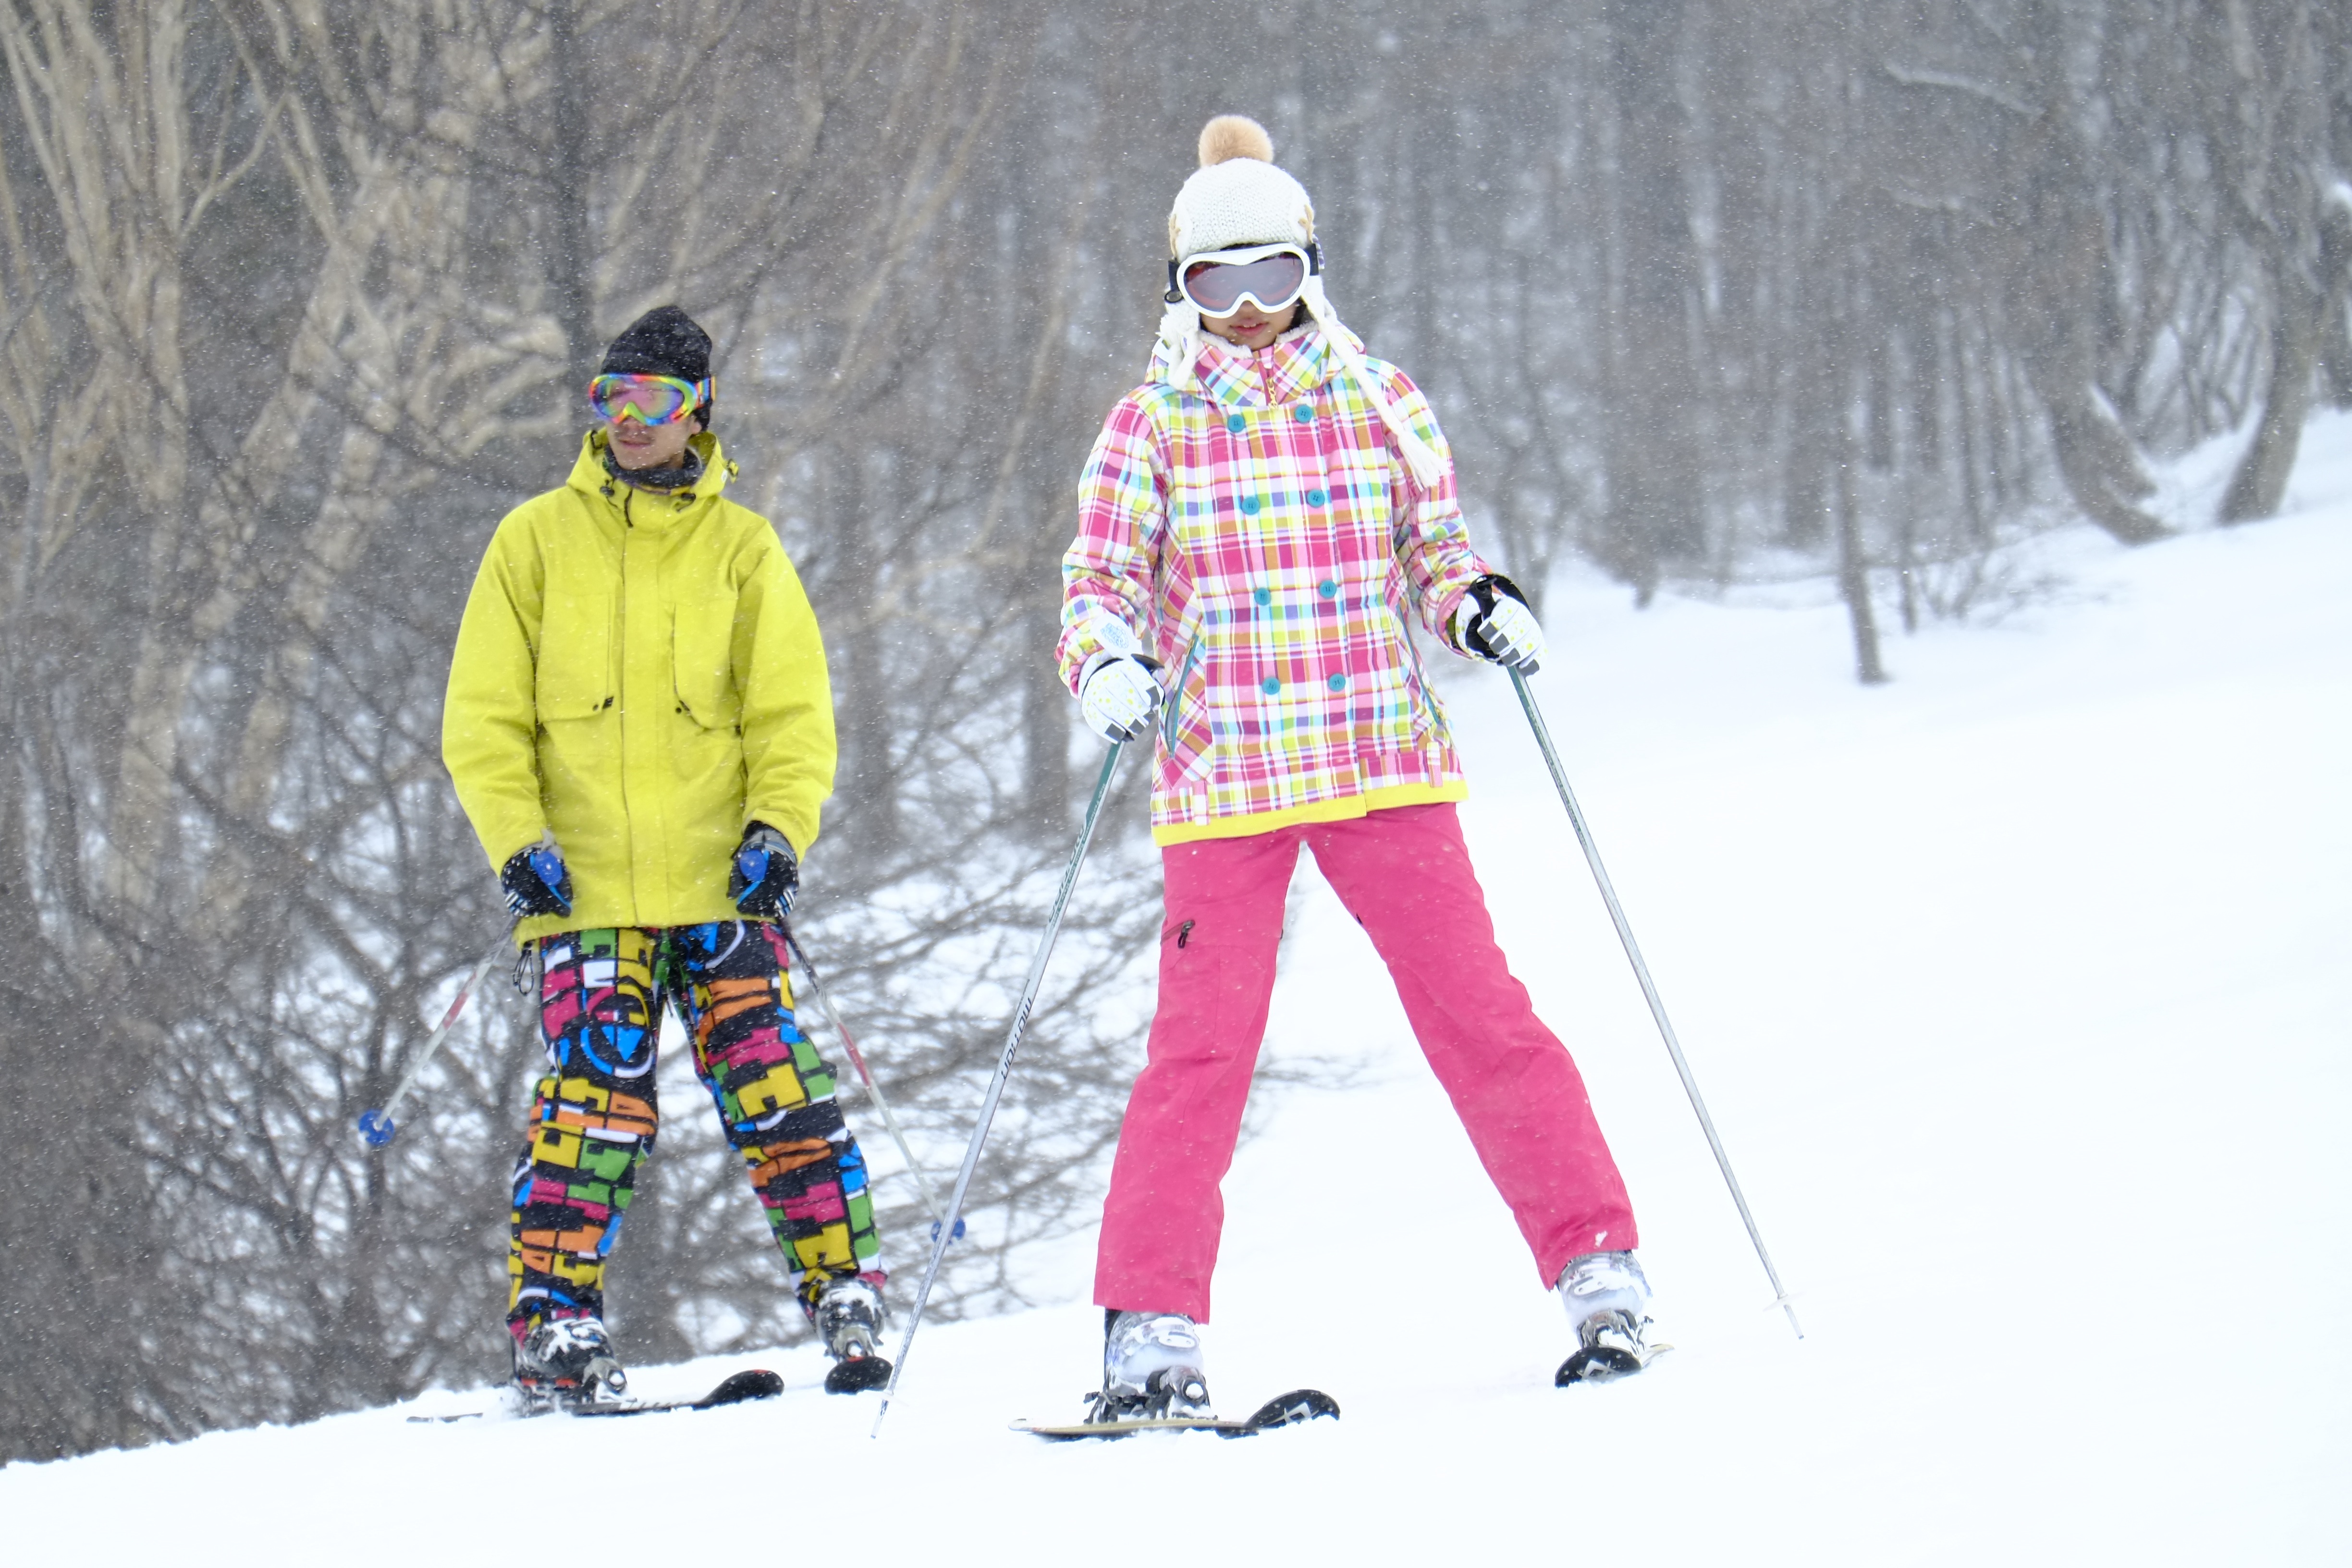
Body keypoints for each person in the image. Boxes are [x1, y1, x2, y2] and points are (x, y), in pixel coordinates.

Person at [1056, 118, 1655, 1420]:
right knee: (1198, 1056)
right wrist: (1104, 660)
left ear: (1311, 269)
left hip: (1381, 757)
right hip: (1228, 777)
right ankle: (1150, 1333)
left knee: (1480, 1017)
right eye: (1218, 287)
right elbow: (1099, 582)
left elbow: (1435, 549)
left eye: (1272, 278)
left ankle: (1599, 1268)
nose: (1251, 313)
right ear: (1182, 295)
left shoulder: (1377, 393)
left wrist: (1477, 604)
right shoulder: (1151, 422)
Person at [442, 306, 889, 1406]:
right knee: (594, 1105)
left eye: (648, 402)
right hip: (582, 894)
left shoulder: (744, 549)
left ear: (697, 411)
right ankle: (554, 1324)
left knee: (775, 1088)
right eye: (608, 400)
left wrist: (780, 833)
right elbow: (484, 719)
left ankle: (846, 1294)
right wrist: (519, 845)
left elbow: (793, 717)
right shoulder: (535, 541)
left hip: (716, 890)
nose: (626, 422)